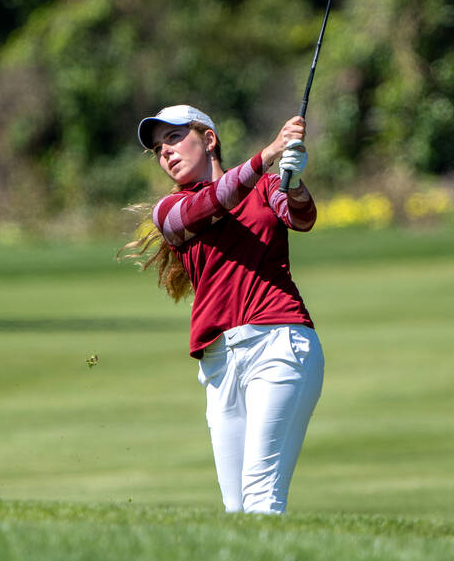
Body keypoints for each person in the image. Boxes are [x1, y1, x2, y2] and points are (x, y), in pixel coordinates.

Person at [125, 104, 324, 515]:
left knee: (261, 498)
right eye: (160, 148)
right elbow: (217, 200)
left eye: (175, 138)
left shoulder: (266, 187)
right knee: (236, 511)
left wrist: (295, 181)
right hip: (219, 363)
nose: (166, 153)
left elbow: (302, 218)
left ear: (209, 139)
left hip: (279, 343)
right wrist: (268, 153)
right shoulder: (170, 211)